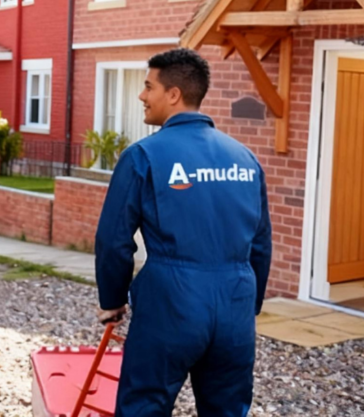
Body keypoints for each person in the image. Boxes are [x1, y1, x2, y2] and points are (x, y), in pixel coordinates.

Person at [94, 48, 272, 417]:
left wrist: (112, 300)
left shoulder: (143, 155)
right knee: (226, 409)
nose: (142, 96)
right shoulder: (245, 159)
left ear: (173, 94)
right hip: (235, 303)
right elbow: (260, 242)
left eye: (148, 87)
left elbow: (114, 241)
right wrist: (247, 306)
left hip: (171, 301)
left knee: (144, 405)